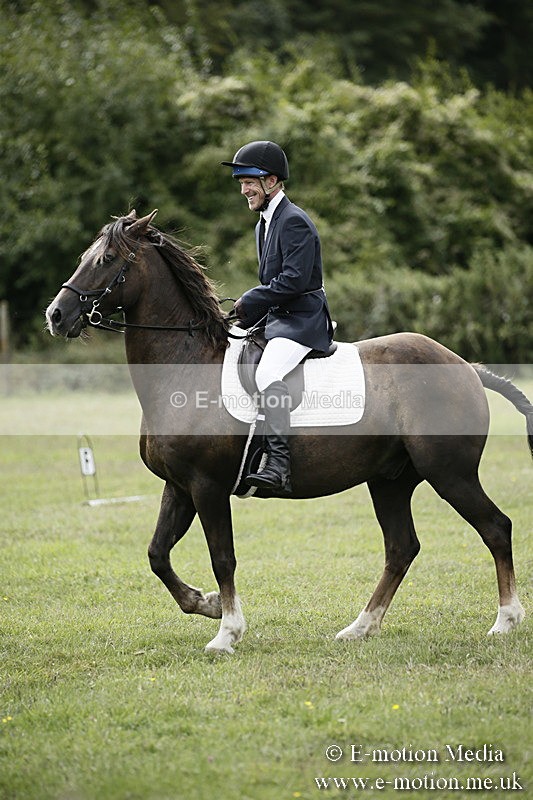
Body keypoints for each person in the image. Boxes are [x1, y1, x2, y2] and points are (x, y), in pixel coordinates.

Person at [222, 140, 333, 493]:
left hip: (303, 319)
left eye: (249, 182)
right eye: (240, 183)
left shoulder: (294, 221)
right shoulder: (263, 225)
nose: (244, 190)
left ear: (272, 181)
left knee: (269, 370)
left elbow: (294, 280)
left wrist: (251, 299)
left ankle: (279, 465)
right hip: (279, 316)